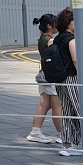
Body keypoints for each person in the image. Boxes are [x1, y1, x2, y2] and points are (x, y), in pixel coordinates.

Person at [49, 8, 82, 156]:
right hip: (72, 78)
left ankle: (67, 145)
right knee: (80, 110)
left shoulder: (57, 38)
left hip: (60, 79)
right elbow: (75, 60)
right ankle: (78, 143)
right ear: (69, 23)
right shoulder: (71, 39)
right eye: (75, 20)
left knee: (67, 111)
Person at [27, 14, 62, 144]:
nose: (57, 26)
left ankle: (35, 132)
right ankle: (62, 134)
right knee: (57, 105)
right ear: (49, 26)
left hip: (44, 75)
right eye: (55, 23)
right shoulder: (50, 40)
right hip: (52, 76)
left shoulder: (43, 38)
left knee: (44, 105)